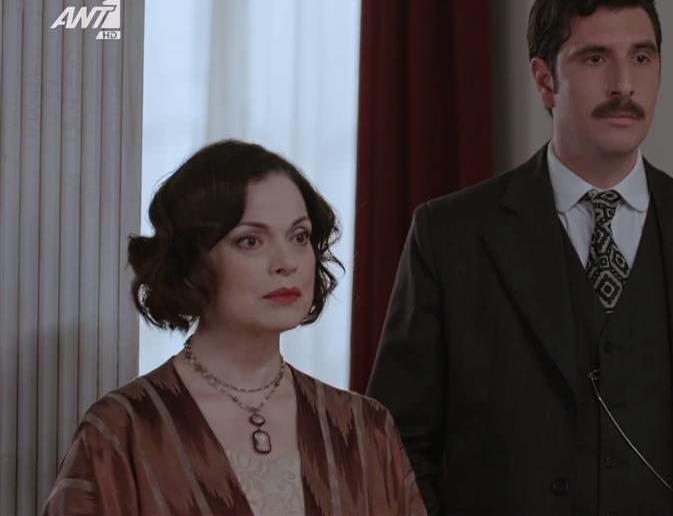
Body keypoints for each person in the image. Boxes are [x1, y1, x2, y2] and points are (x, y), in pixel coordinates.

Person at [367, 0, 673, 516]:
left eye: (642, 58)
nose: (624, 85)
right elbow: (396, 445)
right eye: (596, 58)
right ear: (545, 80)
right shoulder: (450, 235)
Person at [43, 140, 426, 516]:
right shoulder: (121, 432)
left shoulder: (364, 429)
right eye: (250, 241)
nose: (286, 262)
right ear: (190, 261)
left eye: (299, 237)